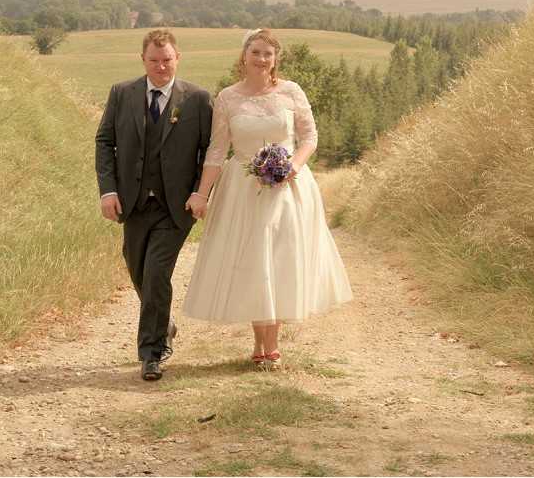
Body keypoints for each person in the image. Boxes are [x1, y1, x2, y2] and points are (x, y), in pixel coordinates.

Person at [182, 28, 352, 365]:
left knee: (277, 260)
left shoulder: (291, 92)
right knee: (252, 262)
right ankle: (259, 342)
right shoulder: (228, 98)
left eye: (268, 54)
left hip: (288, 189)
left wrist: (294, 166)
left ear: (276, 60)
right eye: (256, 52)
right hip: (242, 189)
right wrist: (201, 194)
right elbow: (217, 152)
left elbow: (309, 137)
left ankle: (271, 345)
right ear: (244, 55)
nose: (262, 59)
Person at [95, 28, 212, 381]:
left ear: (178, 58)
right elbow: (105, 142)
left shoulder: (198, 99)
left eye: (167, 60)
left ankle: (152, 353)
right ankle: (164, 321)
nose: (161, 67)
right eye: (154, 61)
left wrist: (200, 192)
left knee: (157, 272)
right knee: (138, 270)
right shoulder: (122, 93)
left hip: (176, 207)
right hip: (133, 203)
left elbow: (210, 152)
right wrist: (107, 191)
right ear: (142, 60)